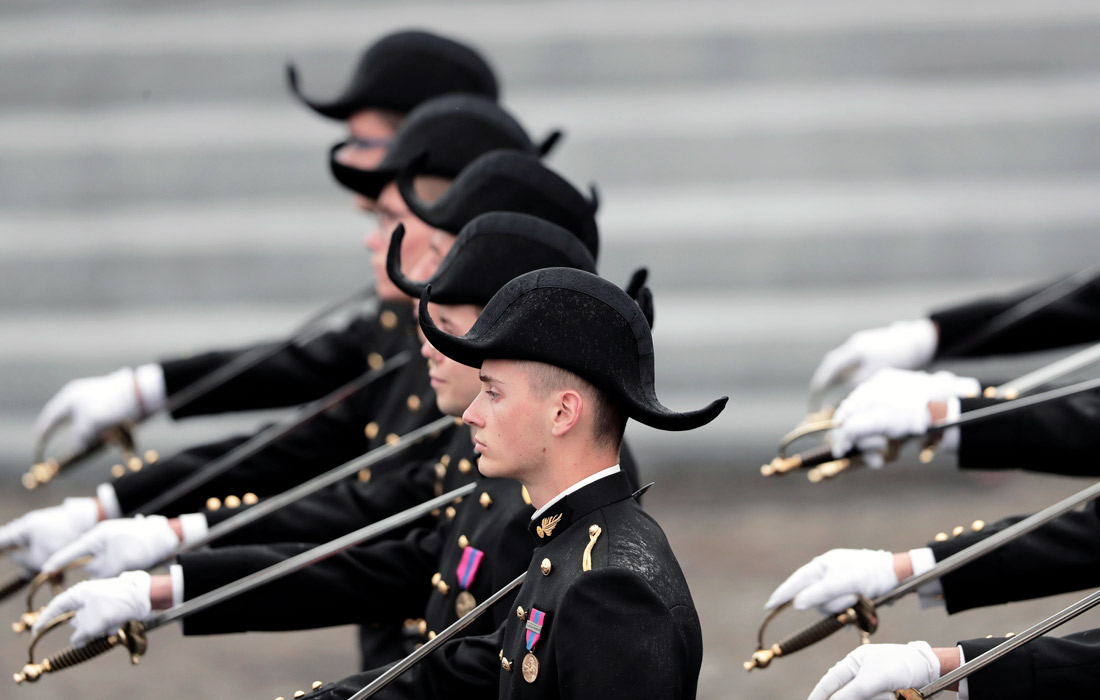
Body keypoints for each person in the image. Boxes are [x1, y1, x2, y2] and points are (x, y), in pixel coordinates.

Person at [32, 213, 612, 668]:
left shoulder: (555, 501)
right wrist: (166, 566)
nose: (427, 342)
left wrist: (168, 558)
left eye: (433, 247)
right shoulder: (496, 441)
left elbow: (465, 662)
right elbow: (375, 542)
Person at [32, 29, 501, 454]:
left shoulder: (487, 308)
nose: (360, 191)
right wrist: (146, 390)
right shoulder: (408, 297)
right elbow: (314, 397)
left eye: (366, 145)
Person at [281, 267, 727, 699]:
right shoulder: (569, 543)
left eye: (493, 393)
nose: (472, 414)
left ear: (563, 413)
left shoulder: (608, 590)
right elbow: (463, 670)